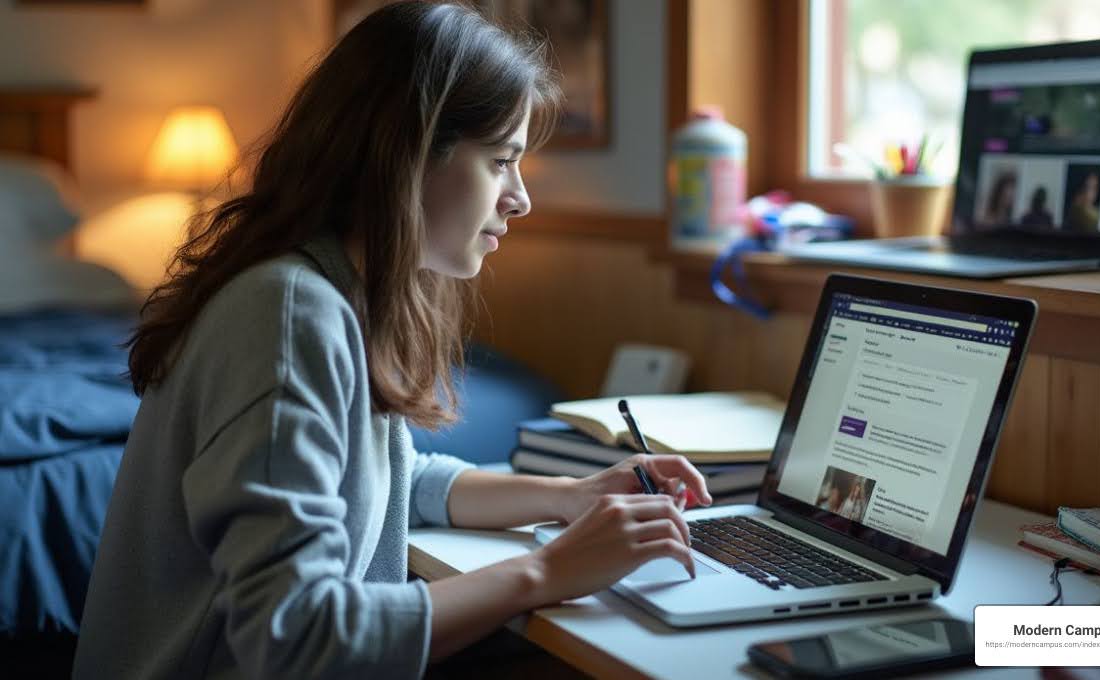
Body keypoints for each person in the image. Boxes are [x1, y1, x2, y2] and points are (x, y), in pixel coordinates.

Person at [72, 3, 711, 678]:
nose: (519, 198)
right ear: (408, 153)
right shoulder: (288, 314)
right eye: (500, 161)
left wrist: (570, 496)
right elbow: (296, 638)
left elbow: (392, 481)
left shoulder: (332, 291)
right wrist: (549, 569)